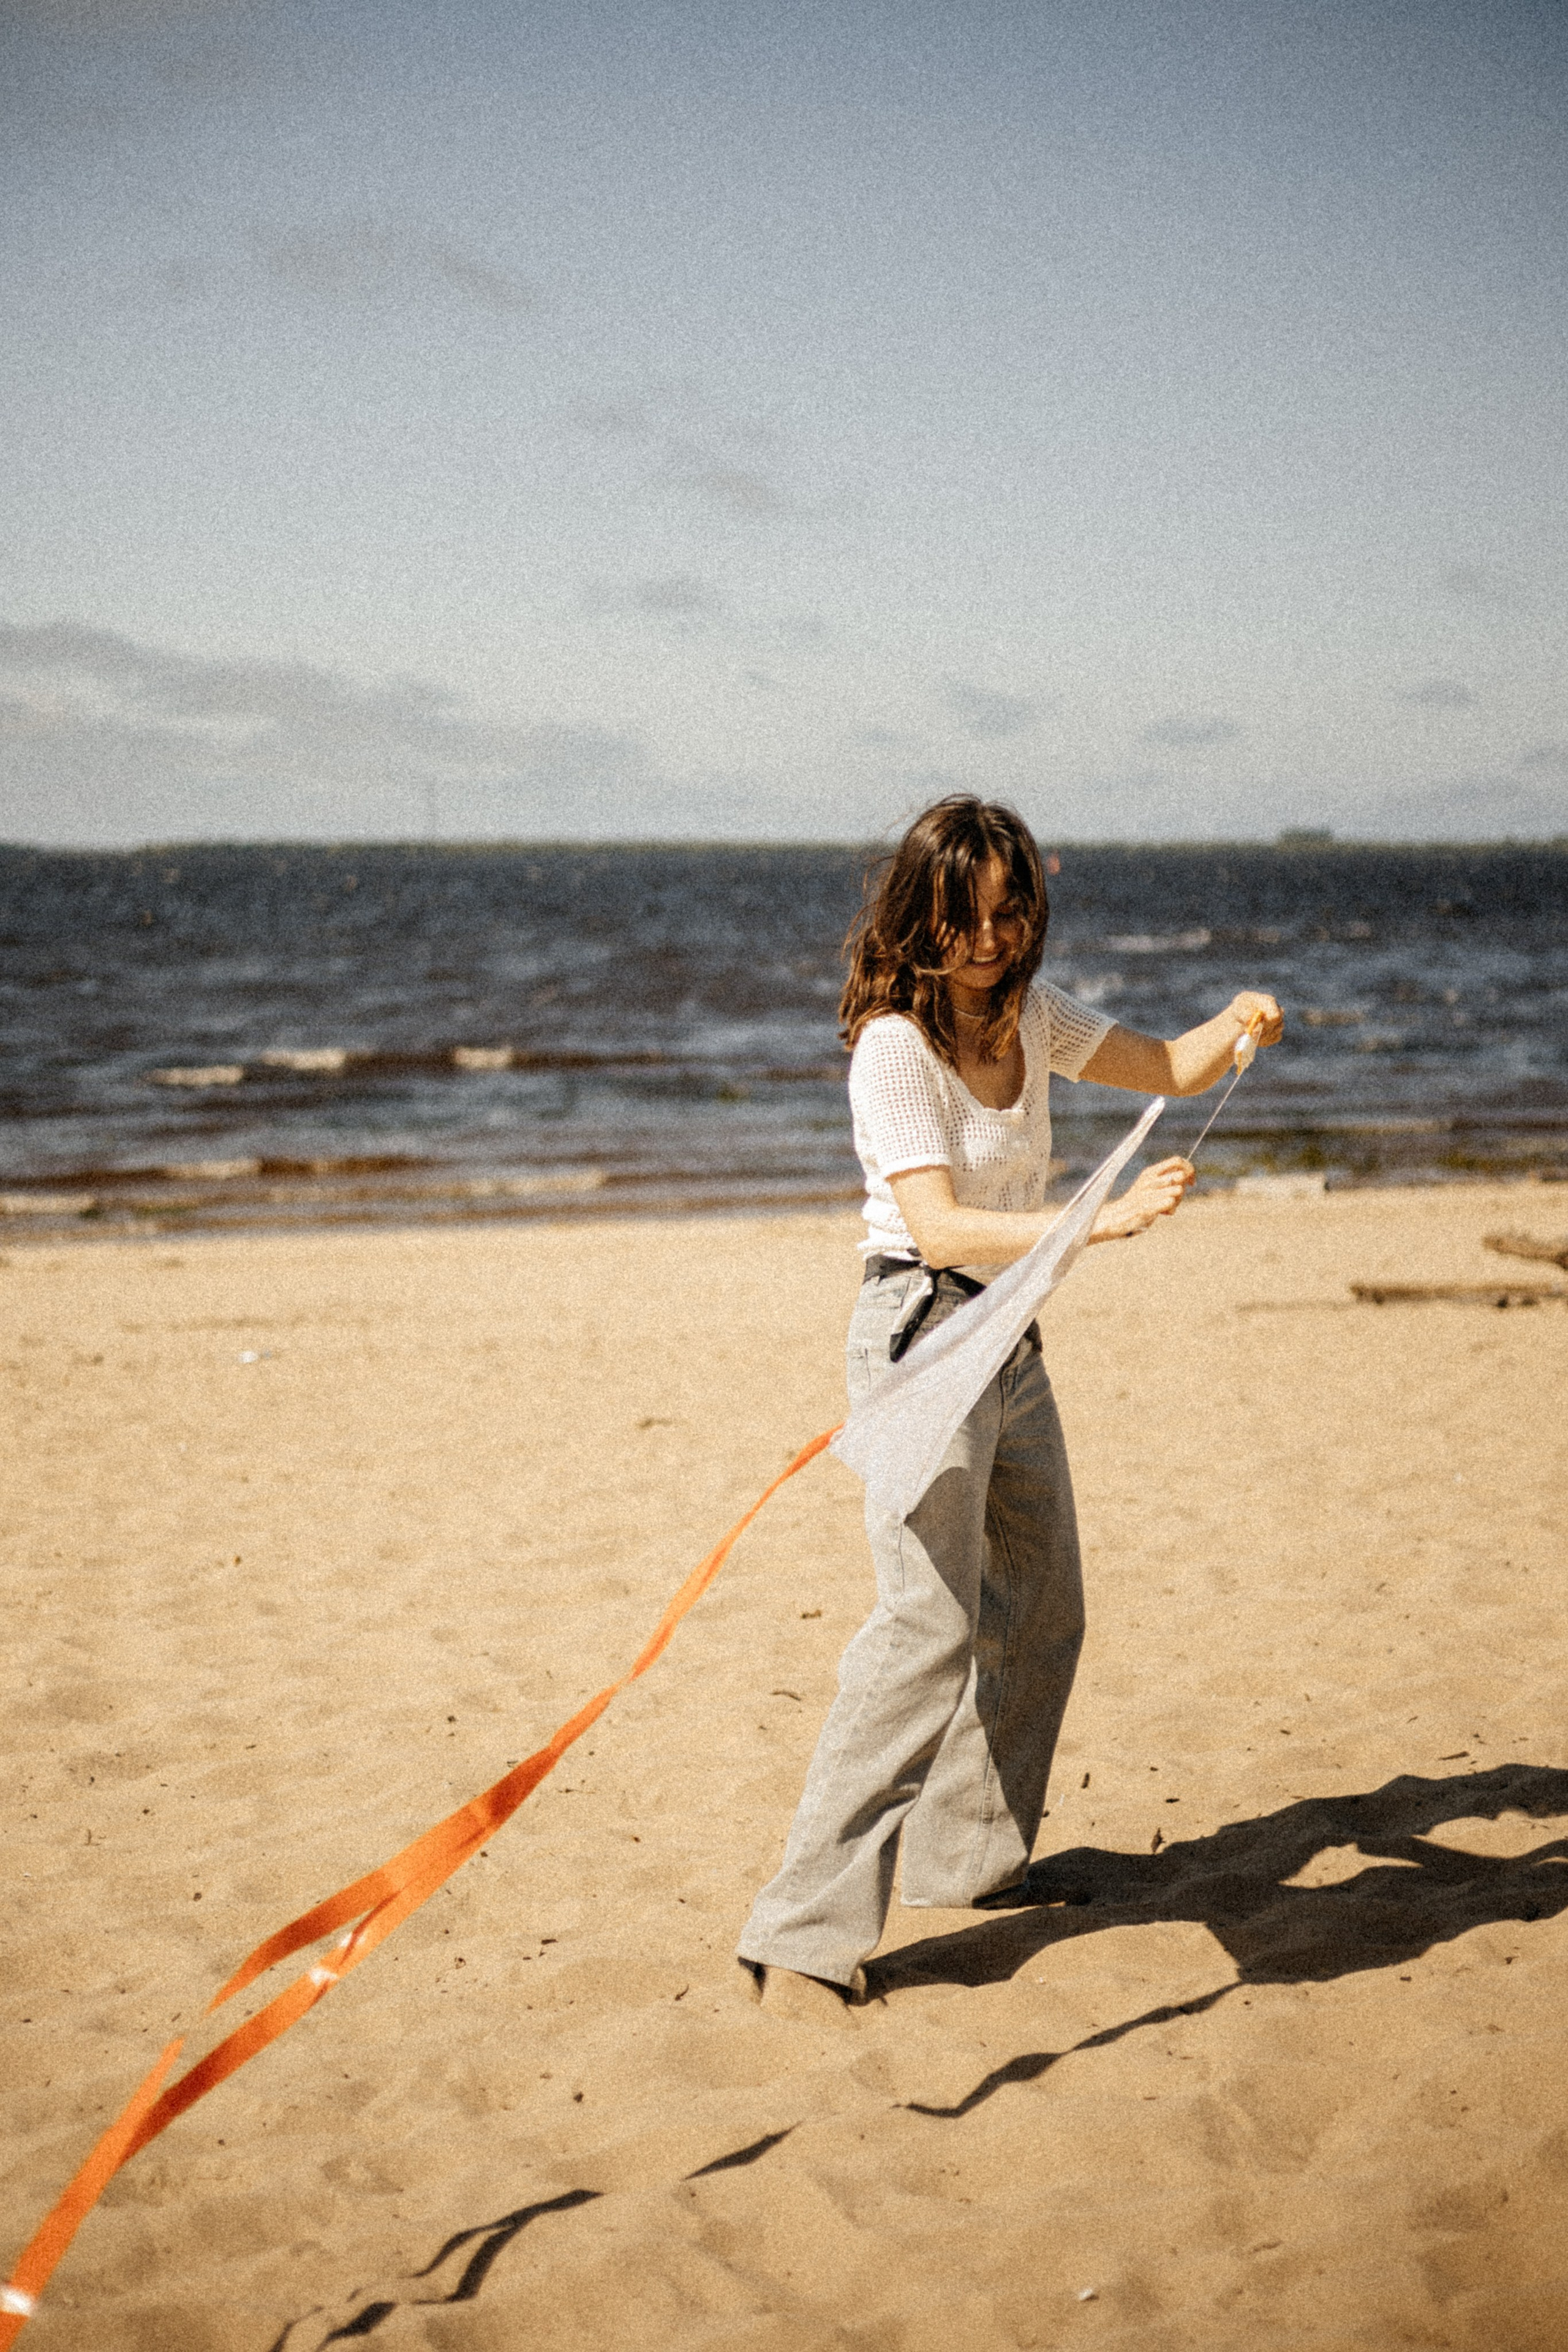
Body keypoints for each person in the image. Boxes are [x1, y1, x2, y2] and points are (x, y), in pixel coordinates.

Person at [736, 796, 1282, 2021]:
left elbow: (1167, 1066)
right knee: (922, 1628)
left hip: (1008, 1337)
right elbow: (933, 1226)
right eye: (965, 916)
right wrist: (1104, 1212)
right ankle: (797, 1939)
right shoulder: (891, 1048)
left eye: (1011, 911)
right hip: (921, 1336)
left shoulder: (1033, 1018)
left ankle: (966, 1865)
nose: (990, 937)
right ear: (918, 916)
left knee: (1041, 1608)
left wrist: (1236, 1020)